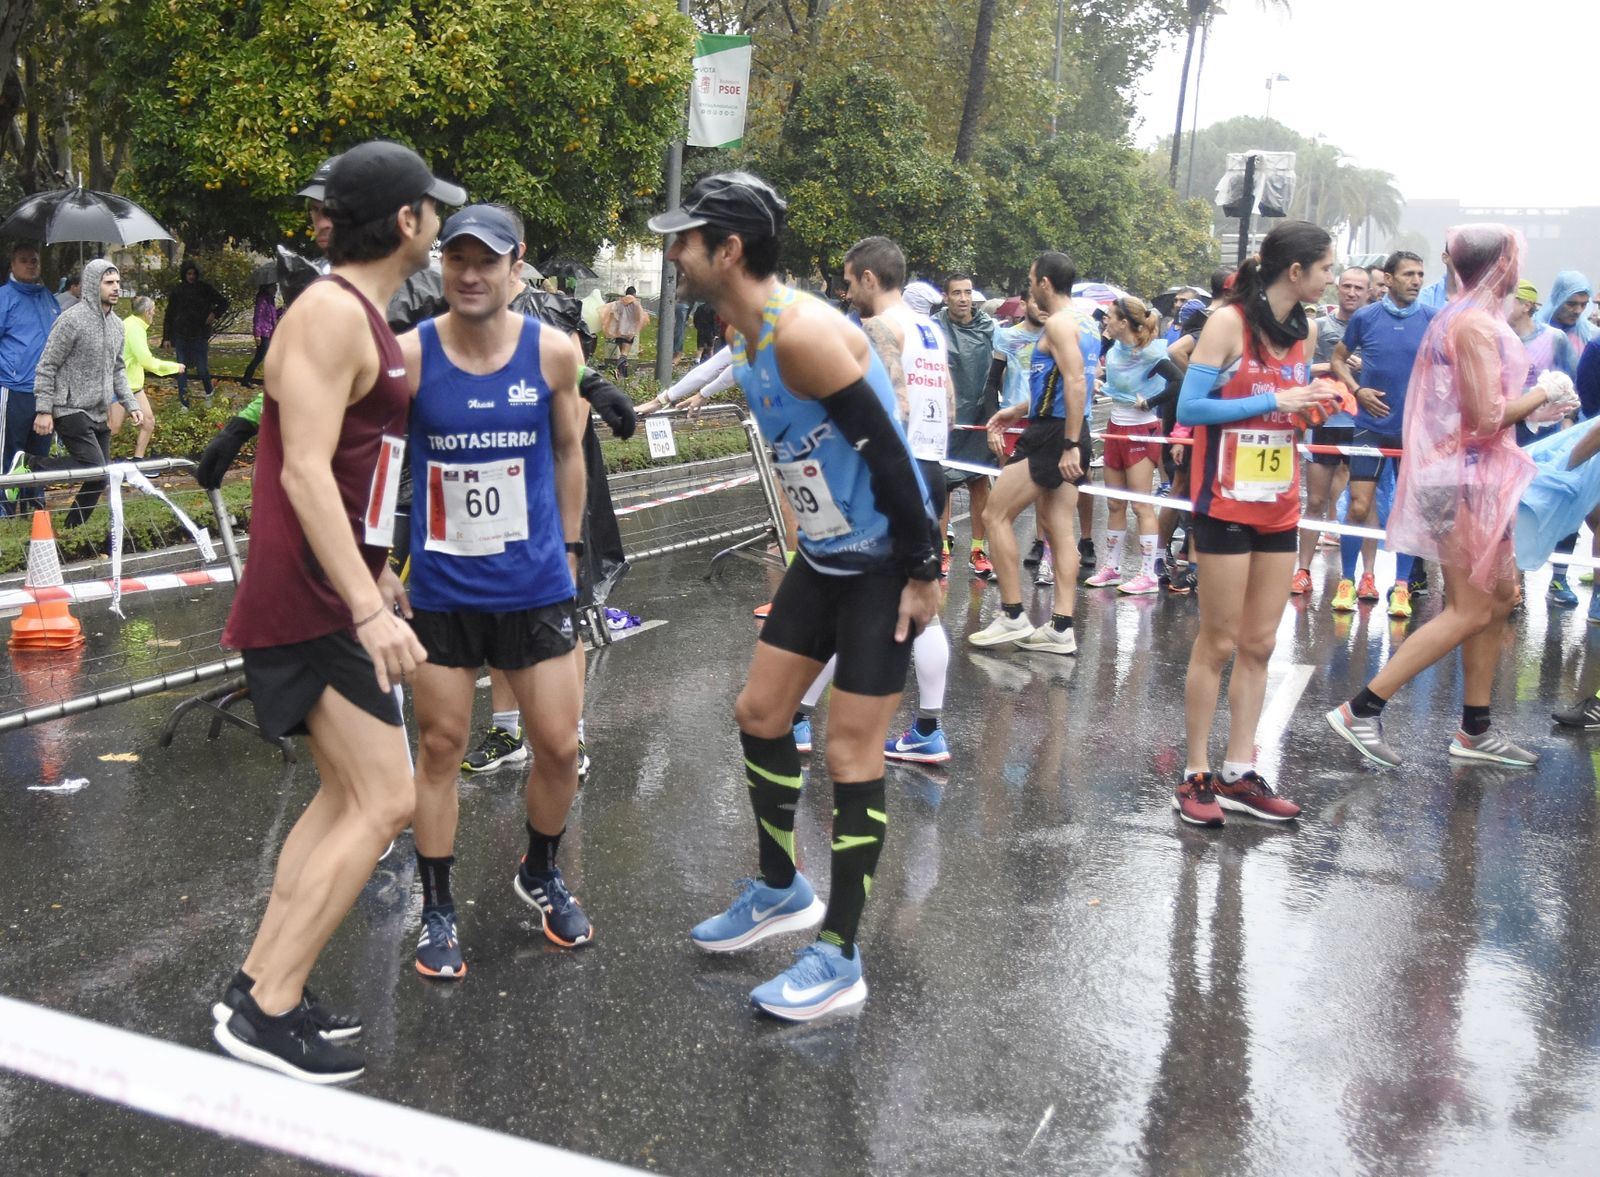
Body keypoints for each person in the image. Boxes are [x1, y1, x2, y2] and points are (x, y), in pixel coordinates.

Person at [653, 171, 940, 1021]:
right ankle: (781, 887)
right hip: (824, 555)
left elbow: (891, 458)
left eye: (685, 241)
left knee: (853, 752)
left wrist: (925, 570)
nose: (674, 255)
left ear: (728, 250)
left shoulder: (802, 334)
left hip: (885, 561)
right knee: (760, 711)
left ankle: (840, 953)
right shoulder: (738, 332)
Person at [211, 140, 463, 1083]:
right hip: (313, 598)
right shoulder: (328, 311)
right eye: (431, 208)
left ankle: (259, 985)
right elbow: (304, 470)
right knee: (389, 797)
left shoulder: (356, 310)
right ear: (406, 221)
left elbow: (353, 470)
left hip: (333, 586)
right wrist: (365, 605)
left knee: (349, 795)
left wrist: (377, 570)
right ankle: (268, 1009)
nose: (437, 221)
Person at [398, 205, 591, 980]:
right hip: (442, 590)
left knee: (561, 746)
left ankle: (540, 869)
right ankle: (437, 906)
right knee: (441, 747)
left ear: (518, 268)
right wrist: (380, 563)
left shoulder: (554, 352)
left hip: (535, 584)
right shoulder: (410, 357)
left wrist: (572, 550)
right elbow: (379, 463)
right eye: (457, 260)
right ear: (442, 267)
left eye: (488, 262)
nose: (471, 276)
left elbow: (572, 451)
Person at [1327, 225, 1552, 770]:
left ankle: (1476, 728)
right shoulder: (1472, 323)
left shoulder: (1472, 317)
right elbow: (1487, 417)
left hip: (1474, 477)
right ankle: (1363, 708)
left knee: (1499, 599)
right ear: (1499, 266)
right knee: (1469, 607)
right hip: (1460, 480)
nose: (1519, 268)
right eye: (1514, 259)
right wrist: (1547, 394)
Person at [1172, 221, 1339, 827]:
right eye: (1325, 268)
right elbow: (1190, 409)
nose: (1332, 278)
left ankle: (1238, 772)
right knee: (1216, 641)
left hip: (1279, 504)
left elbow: (1295, 414)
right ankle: (1193, 775)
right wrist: (1274, 402)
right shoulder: (1227, 323)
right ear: (1295, 271)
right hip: (1224, 503)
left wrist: (1310, 409)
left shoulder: (1307, 329)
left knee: (1261, 644)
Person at [841, 234, 954, 763]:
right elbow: (949, 402)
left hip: (896, 473)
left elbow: (893, 405)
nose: (846, 294)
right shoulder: (929, 326)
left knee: (842, 591)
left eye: (848, 282)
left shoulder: (879, 327)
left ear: (869, 278)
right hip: (932, 467)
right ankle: (929, 726)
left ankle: (793, 719)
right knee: (923, 596)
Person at [966, 251, 1087, 654]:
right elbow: (1057, 383)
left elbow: (1075, 381)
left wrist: (1068, 444)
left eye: (1033, 279)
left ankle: (1013, 614)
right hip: (1062, 427)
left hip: (1054, 435)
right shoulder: (1085, 322)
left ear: (1046, 284)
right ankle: (1060, 627)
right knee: (1059, 527)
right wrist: (1017, 410)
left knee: (994, 514)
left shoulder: (1058, 323)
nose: (1031, 286)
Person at [1329, 250, 1435, 619]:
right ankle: (1347, 580)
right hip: (1369, 428)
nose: (1416, 281)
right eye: (1408, 273)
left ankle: (1402, 587)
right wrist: (1357, 391)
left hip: (1413, 433)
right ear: (1388, 279)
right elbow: (1338, 359)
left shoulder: (1432, 319)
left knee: (1408, 513)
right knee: (1358, 506)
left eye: (1420, 274)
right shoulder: (1365, 317)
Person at [28, 259, 142, 528]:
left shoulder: (116, 325)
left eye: (117, 283)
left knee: (99, 476)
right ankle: (33, 464)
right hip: (69, 407)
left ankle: (71, 529)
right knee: (94, 466)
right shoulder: (71, 321)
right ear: (93, 285)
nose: (116, 288)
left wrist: (131, 403)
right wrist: (44, 409)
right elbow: (46, 366)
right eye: (108, 283)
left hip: (99, 410)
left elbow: (117, 369)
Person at [1082, 295, 1180, 595]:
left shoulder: (1151, 352)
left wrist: (1149, 401)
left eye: (1109, 316)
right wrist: (1100, 383)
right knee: (1114, 503)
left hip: (1141, 430)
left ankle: (1148, 574)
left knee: (1140, 505)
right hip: (1115, 428)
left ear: (1124, 322)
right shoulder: (1112, 347)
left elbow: (1179, 382)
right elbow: (1112, 378)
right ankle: (1111, 567)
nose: (1105, 320)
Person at [1291, 266, 1369, 593]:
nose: (1351, 292)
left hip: (1363, 426)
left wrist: (1366, 367)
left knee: (1363, 505)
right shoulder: (1318, 326)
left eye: (1358, 288)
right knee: (1316, 500)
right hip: (1322, 423)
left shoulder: (1374, 327)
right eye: (1346, 286)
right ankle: (1303, 570)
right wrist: (1334, 365)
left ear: (1368, 293)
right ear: (1337, 288)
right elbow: (1299, 370)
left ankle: (1362, 577)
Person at [935, 273, 999, 579]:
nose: (963, 298)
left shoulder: (990, 328)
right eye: (957, 293)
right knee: (942, 485)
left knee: (978, 483)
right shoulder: (934, 327)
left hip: (979, 415)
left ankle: (977, 549)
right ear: (946, 297)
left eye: (968, 292)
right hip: (944, 417)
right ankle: (942, 551)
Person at [0, 241, 60, 515]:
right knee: (12, 452)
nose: (30, 264)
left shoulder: (49, 298)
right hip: (14, 390)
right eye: (24, 260)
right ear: (12, 264)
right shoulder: (4, 298)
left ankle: (34, 507)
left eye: (34, 259)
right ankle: (6, 508)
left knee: (39, 453)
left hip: (45, 392)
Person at [111, 295, 183, 459]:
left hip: (134, 386)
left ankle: (138, 461)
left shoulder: (132, 323)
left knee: (148, 421)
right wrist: (174, 367)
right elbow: (146, 361)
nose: (154, 314)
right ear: (146, 312)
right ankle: (95, 464)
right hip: (123, 386)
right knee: (112, 428)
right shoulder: (135, 329)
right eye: (153, 311)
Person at [162, 258, 229, 407]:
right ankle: (184, 403)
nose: (191, 276)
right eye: (188, 274)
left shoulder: (204, 289)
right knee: (181, 370)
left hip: (199, 334)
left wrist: (214, 313)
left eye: (193, 273)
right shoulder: (178, 291)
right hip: (181, 335)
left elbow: (224, 302)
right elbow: (170, 314)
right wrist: (166, 337)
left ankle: (209, 393)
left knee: (202, 369)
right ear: (184, 274)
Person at [599, 285, 648, 377]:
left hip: (619, 330)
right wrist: (635, 330)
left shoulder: (619, 303)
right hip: (629, 331)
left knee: (622, 353)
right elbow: (639, 318)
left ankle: (623, 374)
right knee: (624, 354)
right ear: (634, 294)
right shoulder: (636, 304)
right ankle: (617, 370)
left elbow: (613, 315)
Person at [240, 282, 279, 388]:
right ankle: (246, 380)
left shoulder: (270, 300)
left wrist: (282, 310)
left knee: (266, 357)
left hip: (270, 332)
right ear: (267, 288)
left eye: (276, 287)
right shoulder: (262, 300)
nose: (276, 289)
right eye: (273, 287)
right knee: (259, 357)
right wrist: (257, 334)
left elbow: (272, 315)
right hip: (263, 333)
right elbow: (258, 317)